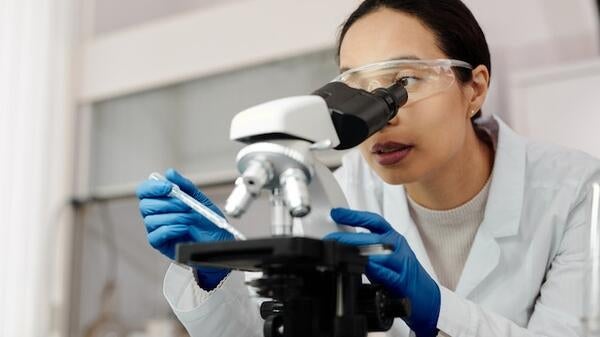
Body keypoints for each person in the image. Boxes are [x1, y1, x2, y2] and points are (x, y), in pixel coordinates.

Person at [135, 0, 600, 336]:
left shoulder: (578, 192)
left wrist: (437, 310)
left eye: (404, 82)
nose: (381, 115)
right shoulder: (341, 190)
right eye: (356, 89)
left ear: (474, 89)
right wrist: (216, 276)